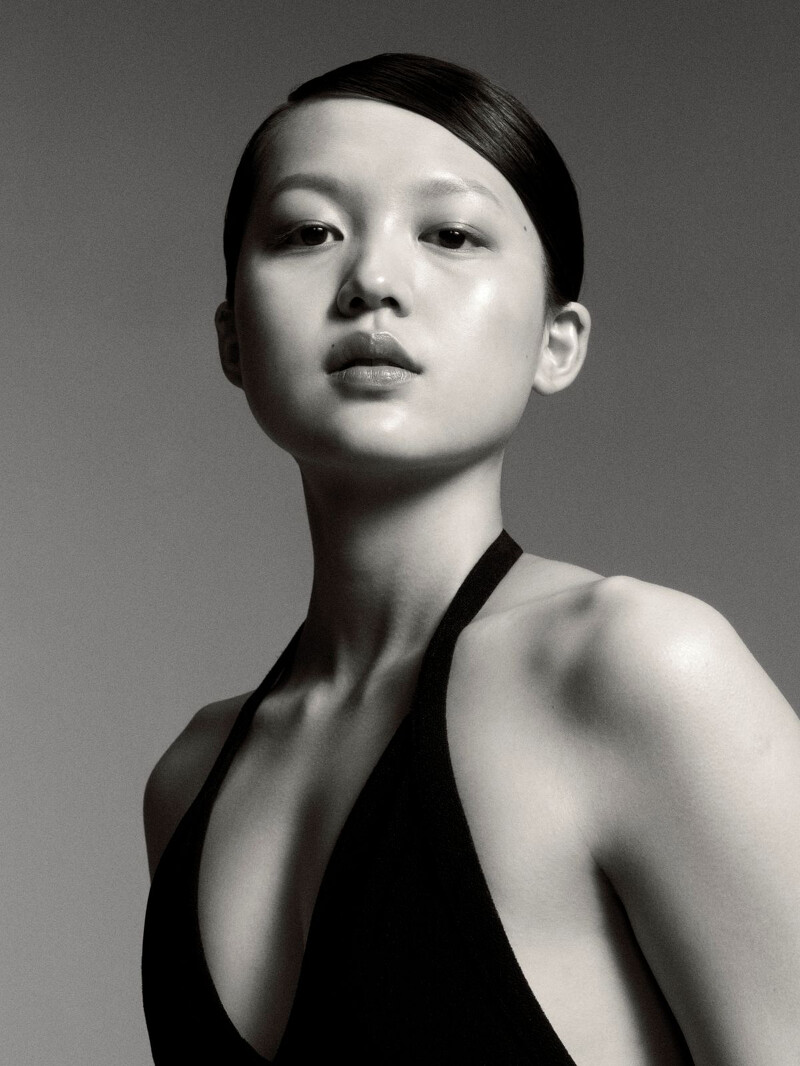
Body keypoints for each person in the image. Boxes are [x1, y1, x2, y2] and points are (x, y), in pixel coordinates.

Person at [141, 54, 800, 1064]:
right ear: (233, 337)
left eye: (449, 234)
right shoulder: (188, 779)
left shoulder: (635, 669)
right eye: (309, 232)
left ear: (556, 342)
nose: (372, 281)